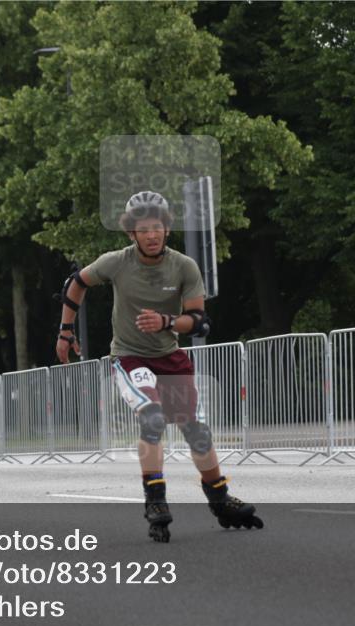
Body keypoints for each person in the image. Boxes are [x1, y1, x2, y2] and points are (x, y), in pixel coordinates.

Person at [56, 191, 263, 542]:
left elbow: (199, 322)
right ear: (131, 234)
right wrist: (65, 331)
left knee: (195, 430)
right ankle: (155, 499)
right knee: (152, 417)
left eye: (157, 228)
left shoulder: (184, 266)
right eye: (143, 229)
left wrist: (167, 321)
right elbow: (76, 283)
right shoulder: (116, 262)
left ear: (167, 229)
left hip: (170, 356)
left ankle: (220, 498)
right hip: (130, 355)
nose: (151, 235)